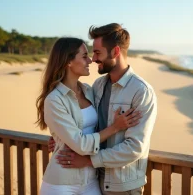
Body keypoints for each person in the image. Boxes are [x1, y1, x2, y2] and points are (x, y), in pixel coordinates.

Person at [51, 23, 157, 195]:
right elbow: (88, 122)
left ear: (115, 52)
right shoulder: (98, 86)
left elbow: (135, 148)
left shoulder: (141, 91)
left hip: (122, 186)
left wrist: (88, 161)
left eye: (97, 52)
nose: (93, 59)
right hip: (95, 181)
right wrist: (61, 138)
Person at [36, 37, 141, 195]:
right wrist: (115, 128)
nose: (90, 60)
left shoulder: (89, 91)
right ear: (68, 62)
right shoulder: (54, 100)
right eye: (84, 56)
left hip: (91, 180)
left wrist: (58, 138)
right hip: (62, 182)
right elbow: (80, 144)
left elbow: (90, 127)